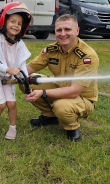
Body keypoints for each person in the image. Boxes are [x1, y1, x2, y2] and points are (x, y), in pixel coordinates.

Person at [24, 14, 99, 142]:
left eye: (67, 29)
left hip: (82, 98)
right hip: (60, 88)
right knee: (26, 80)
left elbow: (74, 91)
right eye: (59, 30)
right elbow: (26, 70)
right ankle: (49, 116)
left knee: (61, 106)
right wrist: (6, 75)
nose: (62, 34)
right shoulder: (51, 50)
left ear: (77, 31)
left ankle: (72, 128)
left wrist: (42, 93)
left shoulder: (87, 56)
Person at [0, 2, 32, 140]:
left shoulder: (19, 44)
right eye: (12, 21)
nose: (16, 25)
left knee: (12, 104)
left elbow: (21, 63)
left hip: (9, 78)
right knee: (1, 104)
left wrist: (26, 79)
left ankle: (13, 127)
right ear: (3, 21)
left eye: (19, 23)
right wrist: (8, 69)